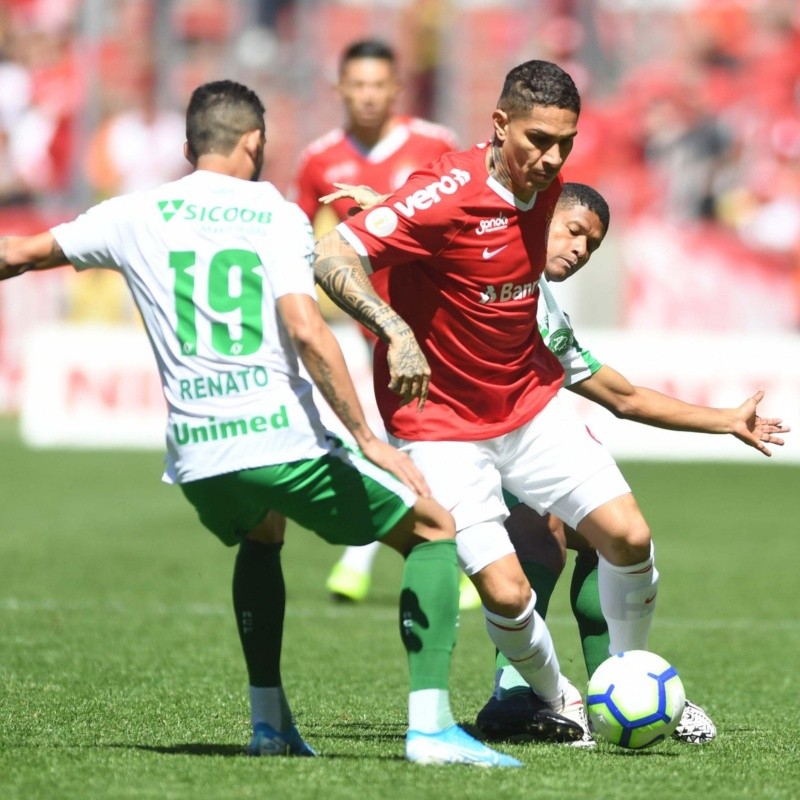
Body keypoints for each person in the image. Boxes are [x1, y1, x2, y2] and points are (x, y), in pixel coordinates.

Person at [0, 79, 521, 768]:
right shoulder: (274, 214)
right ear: (256, 143)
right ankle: (430, 730)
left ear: (188, 148)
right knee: (434, 528)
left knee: (263, 534)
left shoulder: (133, 212)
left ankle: (269, 723)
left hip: (197, 458)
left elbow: (19, 254)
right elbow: (306, 329)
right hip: (277, 437)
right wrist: (369, 439)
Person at [310, 58, 720, 744]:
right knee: (506, 593)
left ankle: (628, 674)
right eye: (537, 140)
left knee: (629, 535)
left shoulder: (547, 182)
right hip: (439, 425)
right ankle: (556, 693)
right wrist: (395, 328)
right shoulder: (449, 189)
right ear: (499, 125)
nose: (553, 157)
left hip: (526, 406)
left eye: (566, 142)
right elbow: (330, 255)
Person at [288, 38, 477, 607]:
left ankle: (372, 559)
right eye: (358, 85)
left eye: (378, 85)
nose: (368, 96)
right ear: (341, 89)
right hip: (368, 321)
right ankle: (457, 562)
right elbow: (300, 236)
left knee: (423, 438)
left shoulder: (433, 145)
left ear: (395, 89)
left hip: (432, 316)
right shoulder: (319, 160)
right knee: (407, 438)